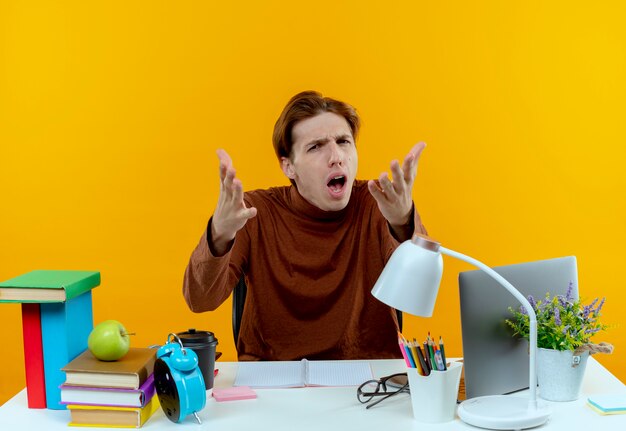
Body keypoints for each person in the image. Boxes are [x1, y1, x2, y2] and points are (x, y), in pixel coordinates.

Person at [183, 91, 427, 361]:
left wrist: (403, 223)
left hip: (369, 384)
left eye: (344, 141)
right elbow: (200, 300)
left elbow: (419, 293)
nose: (336, 156)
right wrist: (219, 234)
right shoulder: (253, 212)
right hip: (272, 383)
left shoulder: (380, 204)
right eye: (316, 146)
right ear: (289, 166)